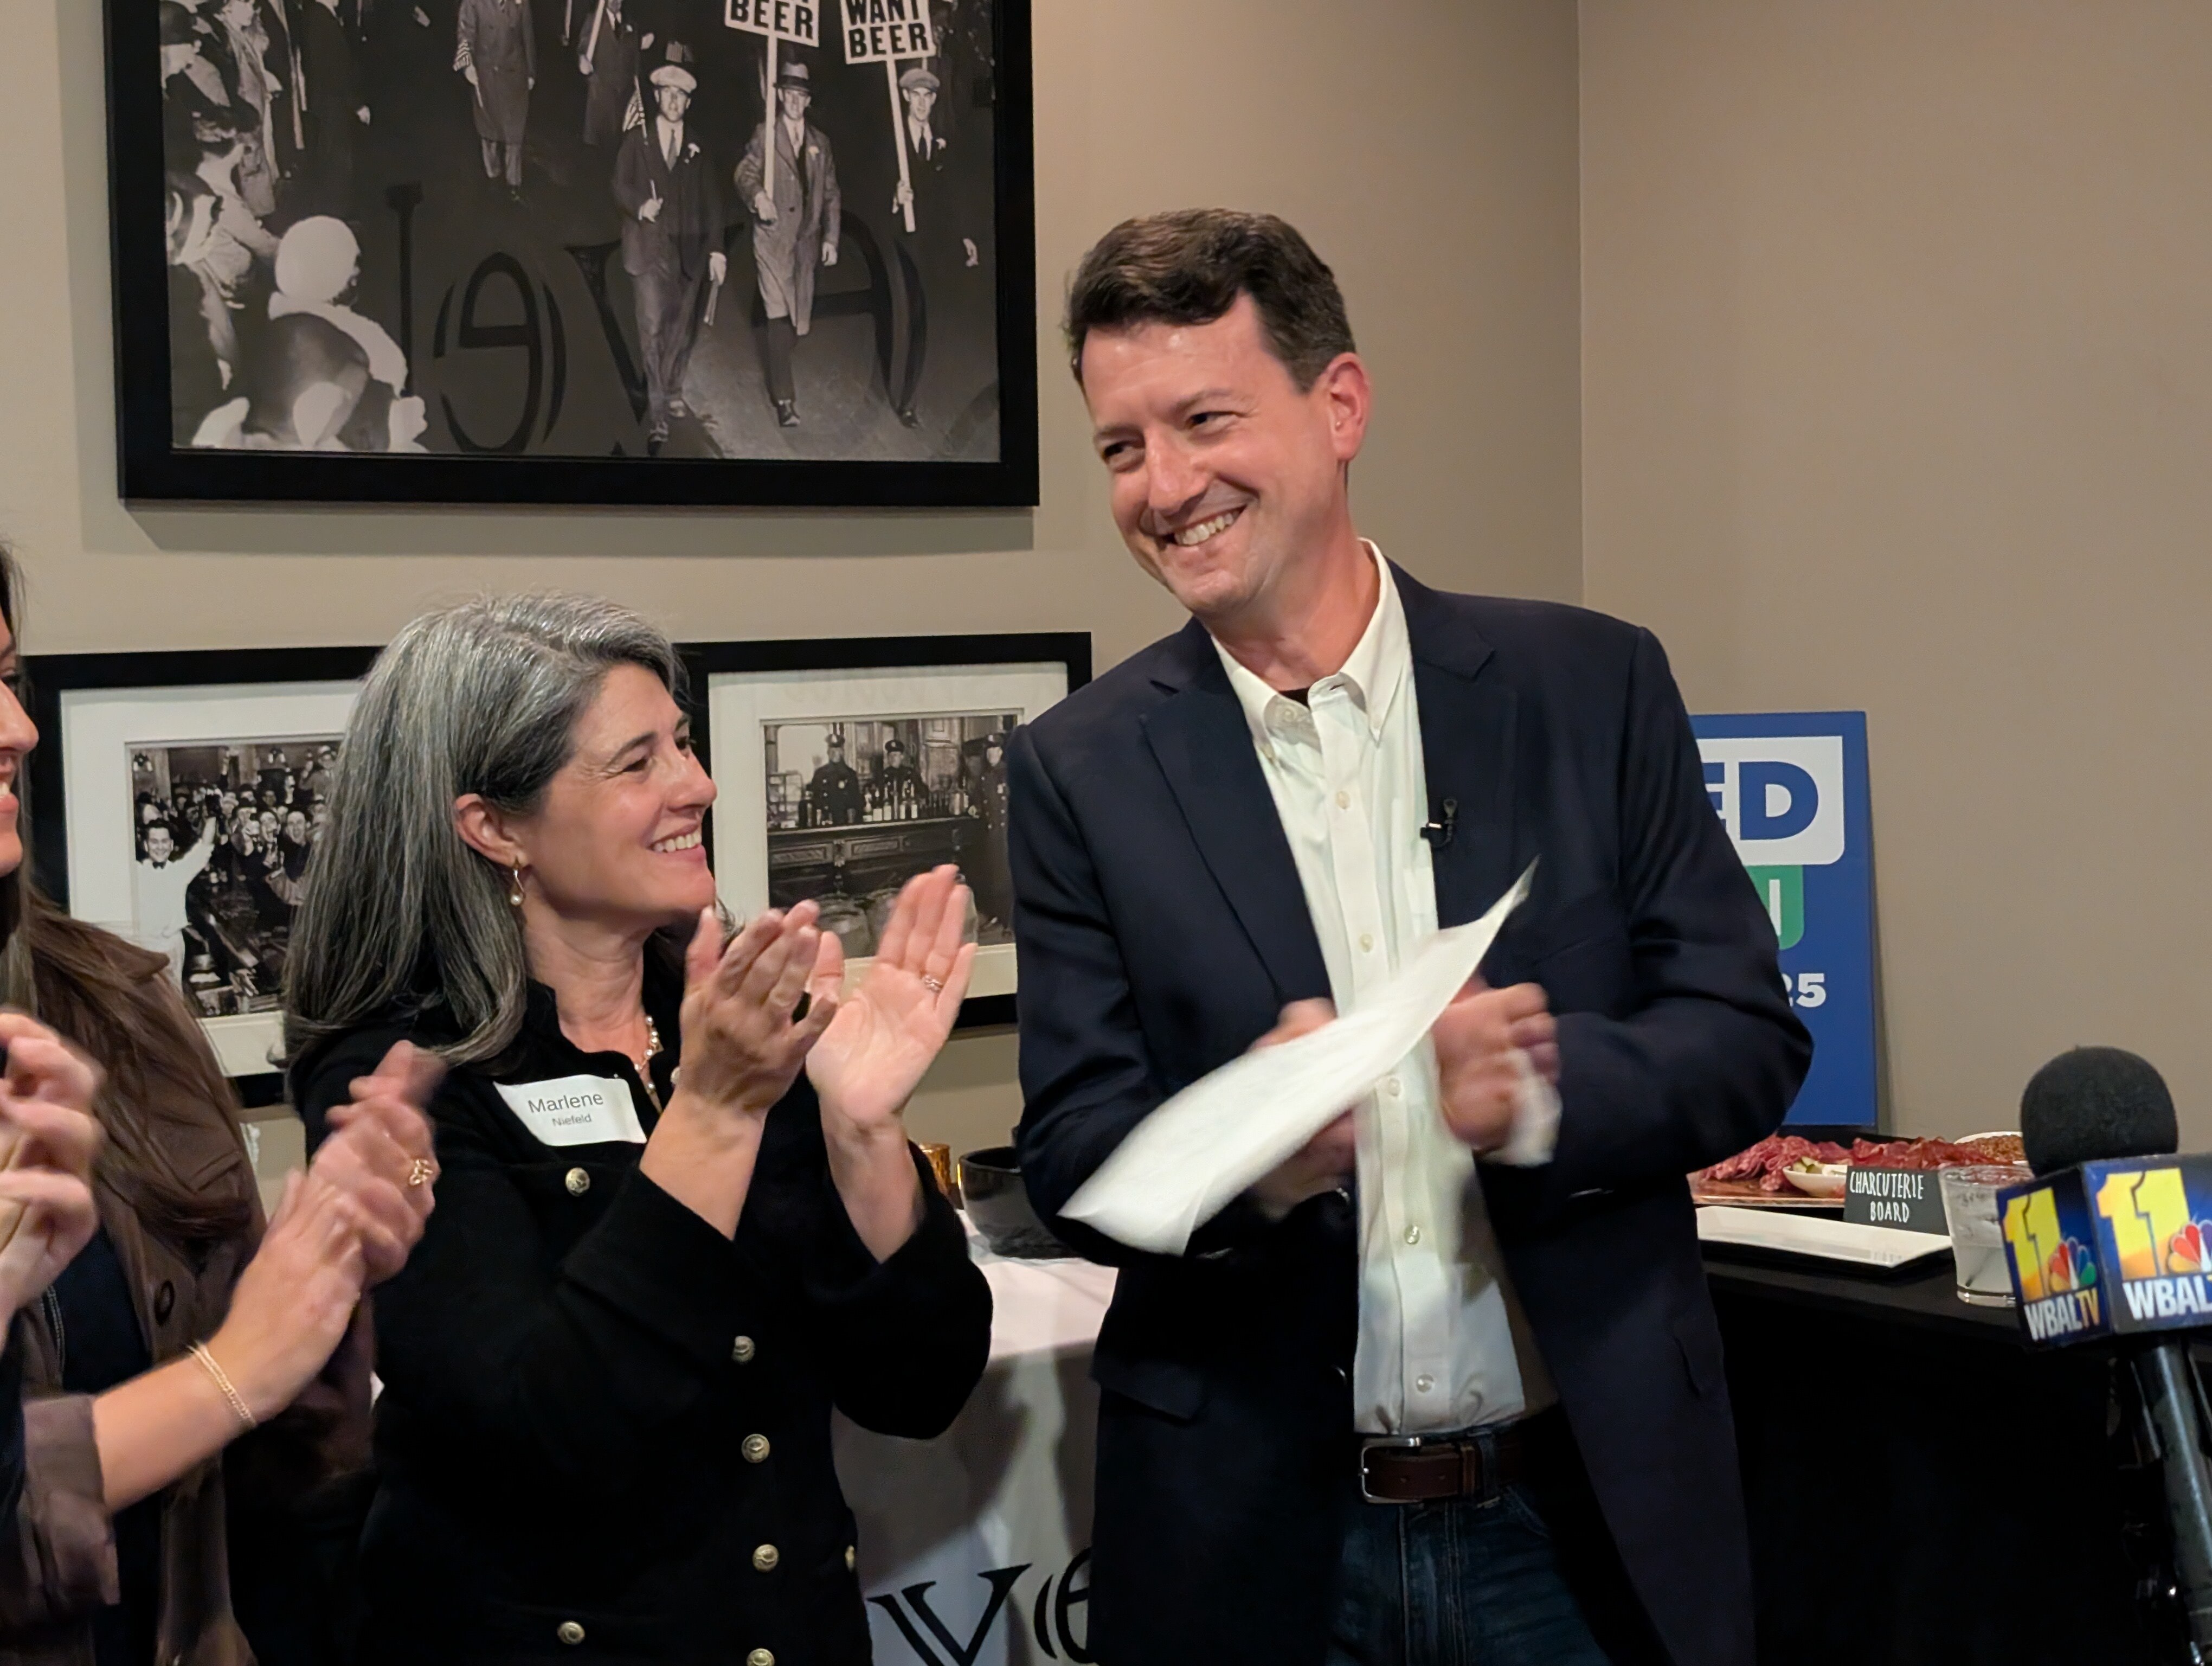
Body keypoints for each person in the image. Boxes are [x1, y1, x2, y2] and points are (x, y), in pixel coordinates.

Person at [1009, 210, 1811, 1666]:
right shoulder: (1081, 767)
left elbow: (1745, 1035)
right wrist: (1259, 1144)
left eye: (1203, 422)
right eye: (1123, 449)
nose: (1167, 488)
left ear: (1341, 405)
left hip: (1576, 1525)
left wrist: (1534, 1096)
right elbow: (1070, 1155)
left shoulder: (1588, 684)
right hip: (1262, 1549)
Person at [283, 593, 993, 1664]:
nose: (696, 786)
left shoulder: (723, 1013)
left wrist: (861, 1127)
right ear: (495, 827)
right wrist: (710, 1116)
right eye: (636, 763)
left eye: (685, 745)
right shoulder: (397, 1077)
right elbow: (543, 1432)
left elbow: (921, 1386)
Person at [0, 542, 444, 1665]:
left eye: (9, 676)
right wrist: (230, 1373)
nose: (20, 730)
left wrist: (323, 1284)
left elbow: (274, 1473)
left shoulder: (113, 1000)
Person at [612, 53, 726, 444]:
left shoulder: (698, 147)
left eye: (681, 96)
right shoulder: (638, 139)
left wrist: (717, 251)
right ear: (657, 97)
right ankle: (658, 411)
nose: (674, 102)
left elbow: (713, 202)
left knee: (681, 330)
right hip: (646, 251)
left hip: (688, 253)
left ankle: (674, 388)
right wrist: (641, 205)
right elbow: (619, 185)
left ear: (688, 103)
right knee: (652, 328)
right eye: (667, 94)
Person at [734, 57, 840, 428]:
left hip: (805, 245)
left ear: (808, 102)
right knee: (778, 320)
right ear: (779, 96)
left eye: (801, 96)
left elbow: (830, 193)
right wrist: (758, 196)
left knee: (797, 326)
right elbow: (744, 172)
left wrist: (831, 237)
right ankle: (785, 400)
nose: (795, 102)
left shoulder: (820, 144)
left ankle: (780, 359)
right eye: (789, 94)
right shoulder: (765, 134)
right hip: (772, 238)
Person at [456, 0, 536, 202]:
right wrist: (468, 67)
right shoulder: (473, 3)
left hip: (514, 75)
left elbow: (528, 35)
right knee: (489, 131)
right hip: (487, 76)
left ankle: (514, 183)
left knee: (514, 132)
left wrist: (531, 72)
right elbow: (465, 34)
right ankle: (493, 175)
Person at [577, 0, 650, 150]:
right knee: (596, 150)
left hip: (623, 100)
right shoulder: (594, 20)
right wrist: (582, 61)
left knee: (620, 148)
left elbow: (635, 61)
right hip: (600, 97)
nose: (615, 1)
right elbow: (583, 49)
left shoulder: (631, 25)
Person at [803, 728, 862, 828]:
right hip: (823, 823)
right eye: (832, 751)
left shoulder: (850, 775)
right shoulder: (820, 774)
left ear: (842, 752)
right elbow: (815, 799)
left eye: (838, 750)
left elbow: (856, 803)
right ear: (828, 752)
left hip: (845, 823)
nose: (834, 753)